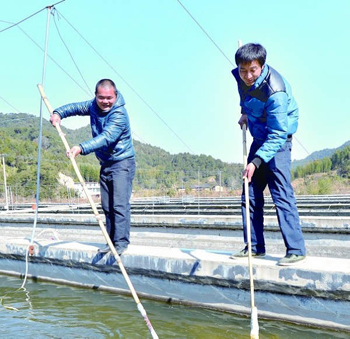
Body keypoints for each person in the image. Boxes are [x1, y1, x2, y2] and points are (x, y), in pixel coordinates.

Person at [230, 43, 306, 266]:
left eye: (252, 70)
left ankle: (295, 249)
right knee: (249, 192)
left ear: (262, 66)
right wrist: (244, 113)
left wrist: (255, 161)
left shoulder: (276, 92)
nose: (247, 76)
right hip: (260, 137)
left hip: (278, 141)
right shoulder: (241, 78)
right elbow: (244, 96)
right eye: (243, 70)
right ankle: (254, 247)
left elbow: (278, 134)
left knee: (281, 193)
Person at [50, 79, 136, 256]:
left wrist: (81, 148)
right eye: (101, 98)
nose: (105, 101)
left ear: (115, 95)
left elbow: (106, 137)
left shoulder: (119, 114)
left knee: (119, 205)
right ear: (96, 96)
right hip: (106, 163)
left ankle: (120, 243)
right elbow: (75, 108)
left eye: (109, 98)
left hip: (122, 163)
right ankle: (111, 241)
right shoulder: (93, 106)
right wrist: (58, 113)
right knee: (107, 205)